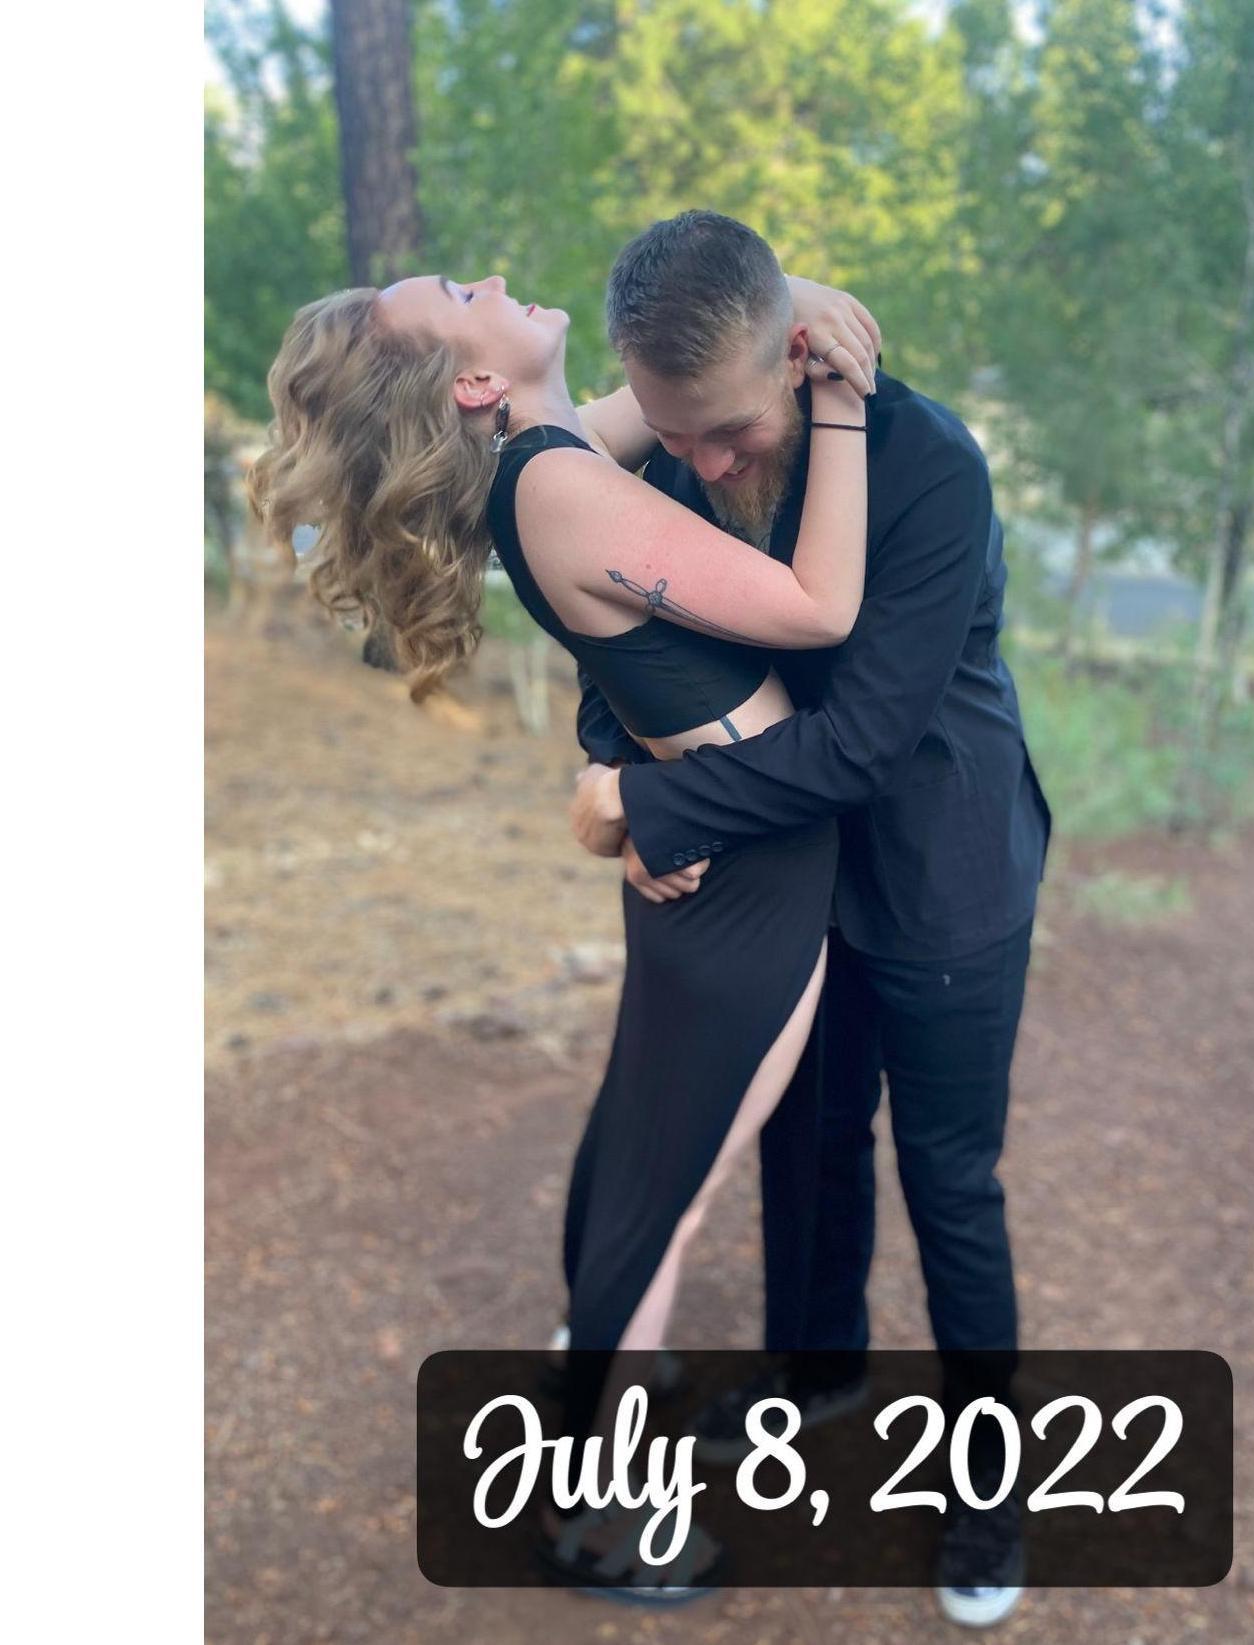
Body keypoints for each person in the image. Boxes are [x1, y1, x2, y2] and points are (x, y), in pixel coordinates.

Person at [246, 257, 880, 1600]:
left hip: (711, 852)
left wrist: (780, 296)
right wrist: (844, 404)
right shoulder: (558, 486)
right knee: (667, 1207)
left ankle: (594, 1400)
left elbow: (669, 389)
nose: (492, 274)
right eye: (460, 291)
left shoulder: (544, 456)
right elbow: (822, 607)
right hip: (749, 877)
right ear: (476, 380)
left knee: (641, 1170)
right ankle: (601, 1521)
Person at [570, 210, 1053, 1629]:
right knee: (806, 1135)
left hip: (945, 868)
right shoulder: (678, 441)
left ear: (796, 356)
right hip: (794, 870)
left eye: (727, 433)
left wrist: (652, 808)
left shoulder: (931, 465)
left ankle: (989, 1491)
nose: (705, 466)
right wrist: (610, 752)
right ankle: (817, 1366)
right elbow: (626, 628)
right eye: (677, 436)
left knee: (950, 1180)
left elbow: (866, 743)